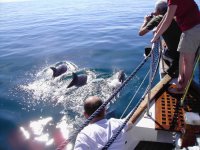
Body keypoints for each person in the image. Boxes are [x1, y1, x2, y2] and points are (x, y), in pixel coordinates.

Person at [151, 0, 200, 94]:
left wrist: (156, 37)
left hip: (193, 29)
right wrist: (157, 29)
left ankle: (183, 89)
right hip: (188, 29)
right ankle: (181, 78)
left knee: (188, 61)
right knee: (182, 55)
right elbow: (167, 15)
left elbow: (168, 20)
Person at [139, 0, 181, 77]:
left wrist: (145, 21)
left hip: (174, 54)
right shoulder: (176, 15)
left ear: (158, 10)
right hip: (185, 50)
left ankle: (173, 61)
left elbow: (141, 33)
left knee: (160, 51)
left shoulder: (158, 18)